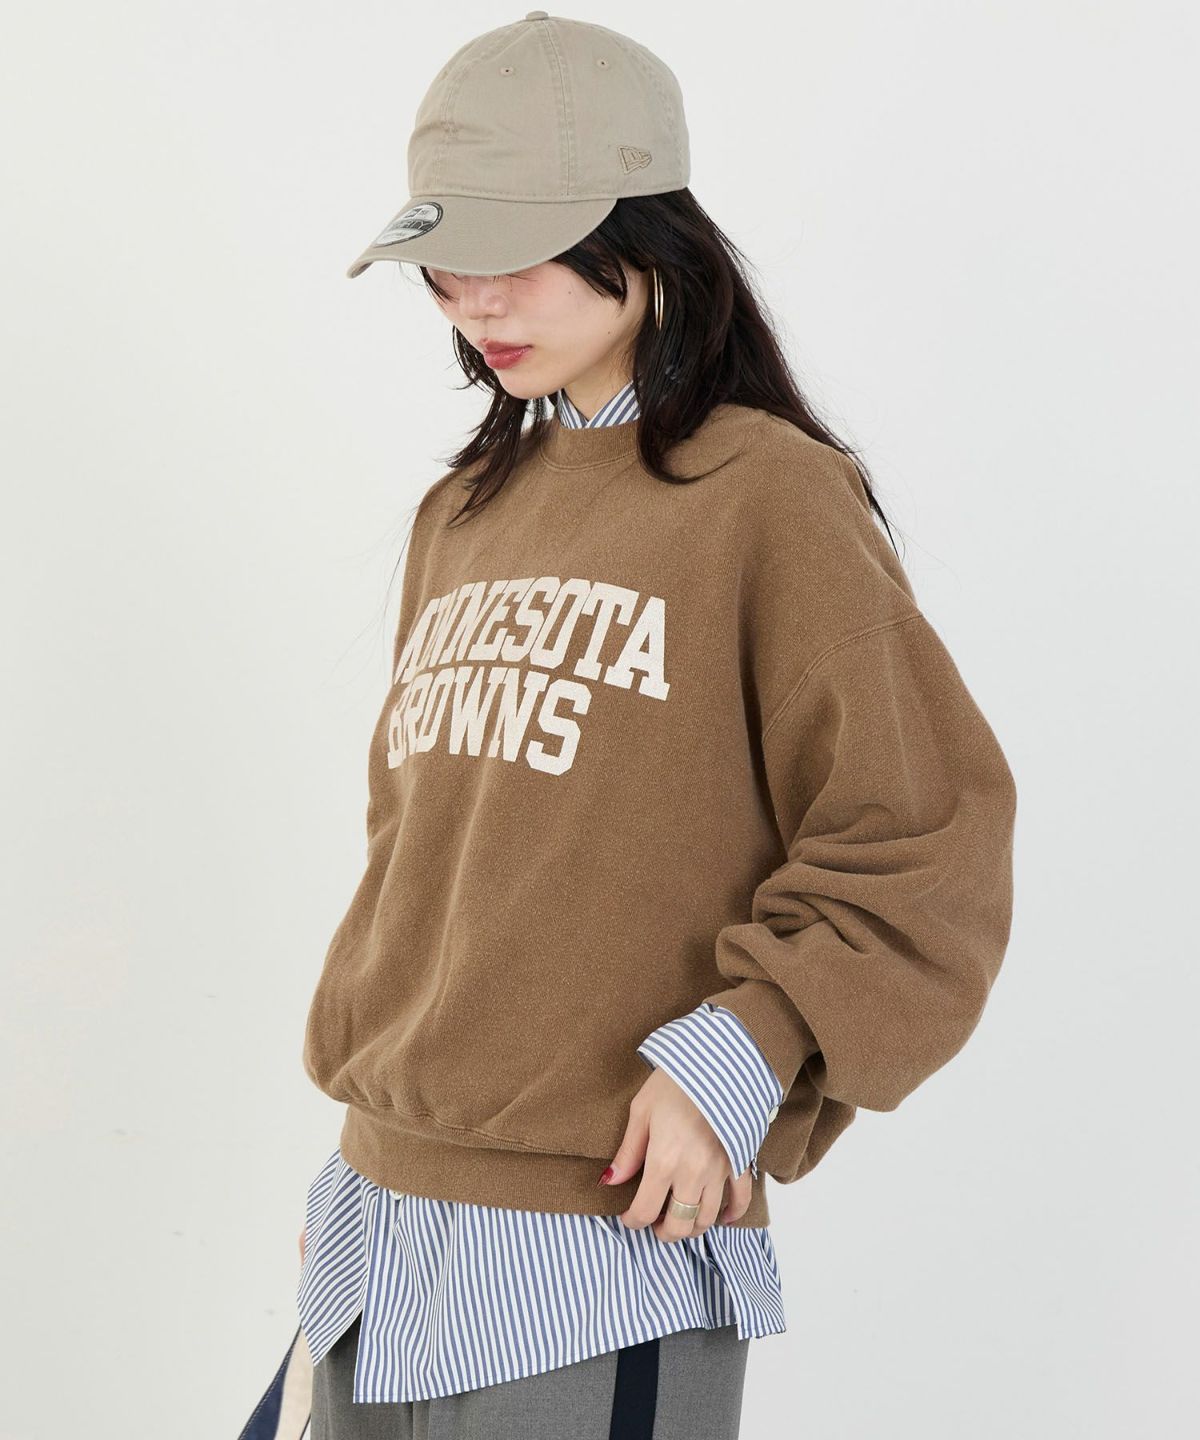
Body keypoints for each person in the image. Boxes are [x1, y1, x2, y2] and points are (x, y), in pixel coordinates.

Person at [294, 13, 1018, 1439]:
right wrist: (372, 1158)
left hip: (602, 1248)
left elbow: (925, 840)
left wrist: (745, 1049)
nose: (475, 300)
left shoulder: (769, 497)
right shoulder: (464, 512)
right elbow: (422, 856)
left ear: (645, 235)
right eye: (447, 261)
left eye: (518, 252)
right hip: (377, 1229)